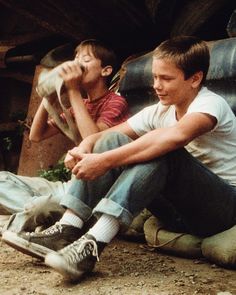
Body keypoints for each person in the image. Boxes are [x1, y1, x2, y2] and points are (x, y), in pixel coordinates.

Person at [3, 35, 236, 282]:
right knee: (110, 141)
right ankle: (68, 228)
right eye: (155, 77)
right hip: (178, 212)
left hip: (220, 210)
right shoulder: (159, 110)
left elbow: (175, 137)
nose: (157, 85)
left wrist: (103, 161)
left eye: (166, 79)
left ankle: (93, 245)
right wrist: (84, 148)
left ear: (195, 78)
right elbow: (105, 137)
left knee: (164, 149)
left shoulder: (211, 104)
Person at [0, 39, 129, 234]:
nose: (77, 64)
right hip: (70, 186)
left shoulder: (116, 101)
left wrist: (73, 90)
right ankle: (40, 213)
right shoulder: (81, 105)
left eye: (85, 59)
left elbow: (95, 140)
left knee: (41, 207)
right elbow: (36, 135)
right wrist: (49, 95)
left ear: (106, 71)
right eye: (75, 58)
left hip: (94, 190)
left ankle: (43, 213)